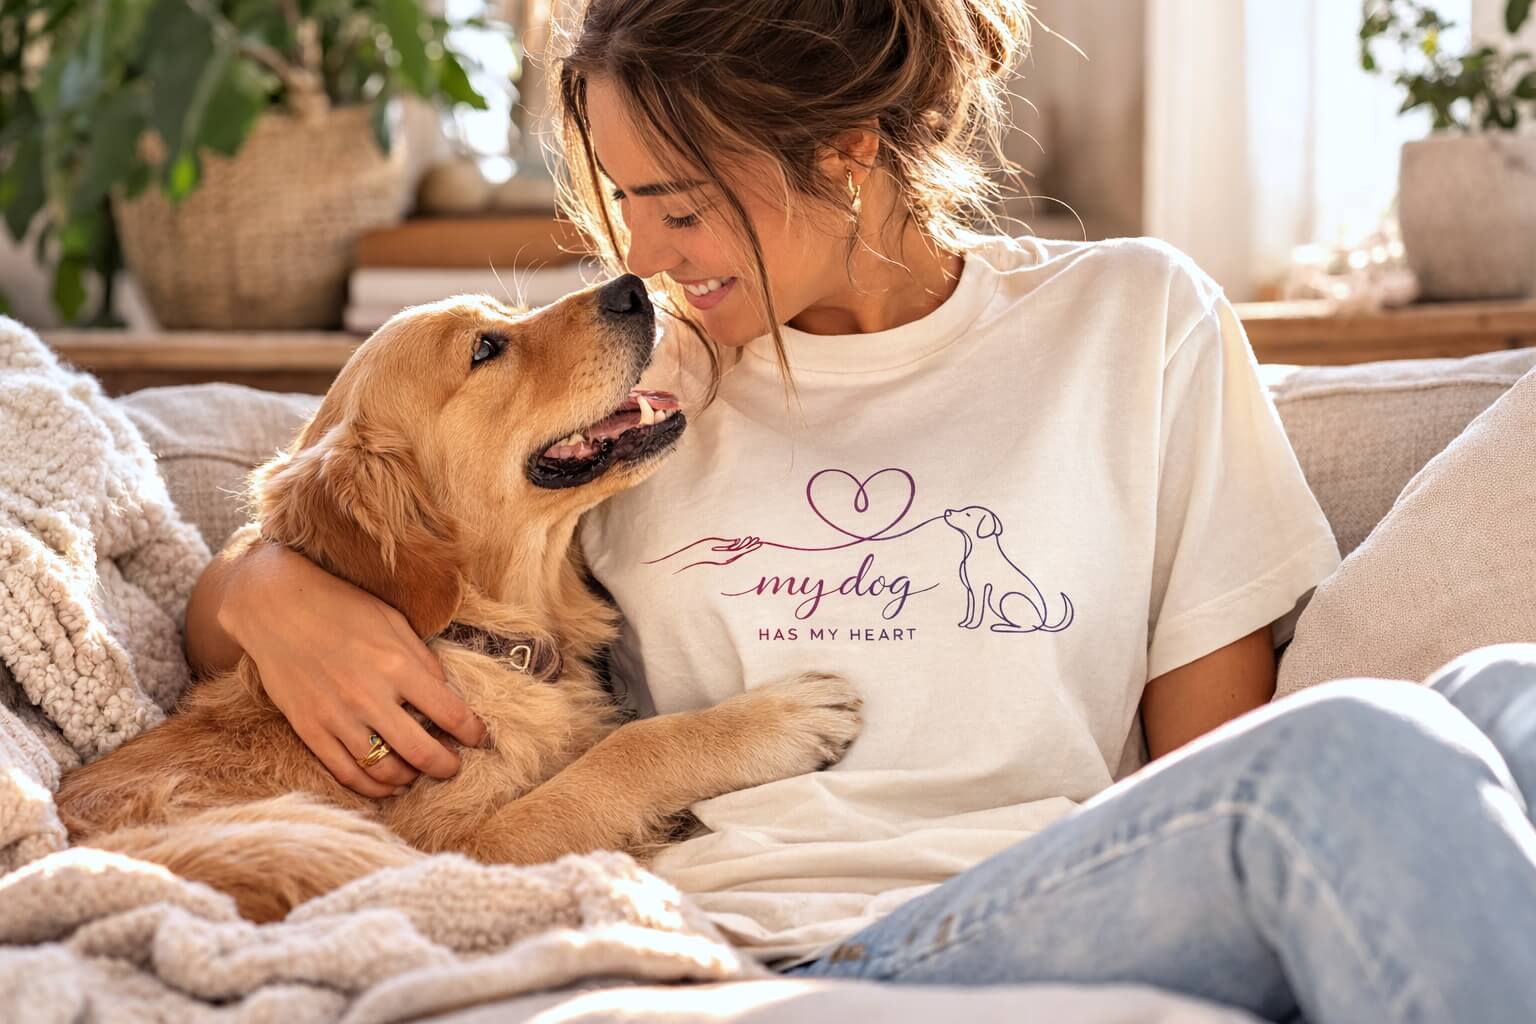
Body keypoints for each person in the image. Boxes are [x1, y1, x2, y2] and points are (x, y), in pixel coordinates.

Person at [184, 1, 1536, 1019]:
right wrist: (256, 591)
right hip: (788, 938)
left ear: (843, 155)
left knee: (1506, 699)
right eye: (620, 201)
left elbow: (1209, 768)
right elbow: (365, 502)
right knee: (1363, 750)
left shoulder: (1135, 322)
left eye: (685, 207)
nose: (641, 262)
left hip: (1066, 893)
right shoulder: (635, 390)